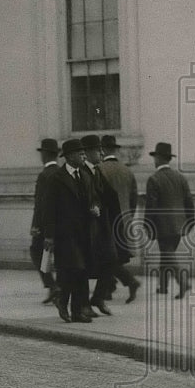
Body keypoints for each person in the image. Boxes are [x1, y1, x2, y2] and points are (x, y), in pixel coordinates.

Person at [42, 140, 99, 323]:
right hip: (64, 233)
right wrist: (49, 235)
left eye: (84, 152)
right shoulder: (57, 179)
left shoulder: (85, 176)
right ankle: (65, 302)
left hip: (83, 232)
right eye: (79, 153)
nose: (84, 155)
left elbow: (94, 199)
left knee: (77, 272)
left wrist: (95, 208)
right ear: (69, 156)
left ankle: (74, 310)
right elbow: (48, 208)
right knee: (76, 268)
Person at [143, 142, 195, 299]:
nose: (154, 161)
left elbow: (151, 206)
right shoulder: (180, 177)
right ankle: (163, 286)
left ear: (159, 158)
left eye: (155, 157)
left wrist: (147, 224)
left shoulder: (154, 179)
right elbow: (189, 202)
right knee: (167, 254)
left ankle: (183, 282)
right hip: (179, 225)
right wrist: (191, 222)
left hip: (162, 226)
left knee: (167, 254)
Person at [99, 135, 141, 303]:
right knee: (113, 256)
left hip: (106, 221)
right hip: (124, 220)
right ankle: (108, 289)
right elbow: (134, 198)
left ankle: (130, 282)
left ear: (102, 150)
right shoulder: (127, 171)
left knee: (105, 256)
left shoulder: (99, 169)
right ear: (115, 150)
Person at [80, 134, 118, 315]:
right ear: (86, 153)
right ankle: (82, 304)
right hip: (86, 227)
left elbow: (110, 196)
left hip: (101, 226)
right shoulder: (81, 172)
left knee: (110, 260)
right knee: (83, 267)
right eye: (98, 150)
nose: (102, 153)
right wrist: (90, 208)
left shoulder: (97, 171)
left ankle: (98, 298)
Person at [30, 138, 60, 303]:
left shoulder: (44, 175)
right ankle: (54, 289)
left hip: (44, 224)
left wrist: (35, 225)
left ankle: (52, 286)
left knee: (37, 252)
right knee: (55, 257)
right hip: (61, 223)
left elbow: (40, 204)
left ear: (46, 154)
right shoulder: (62, 172)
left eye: (42, 153)